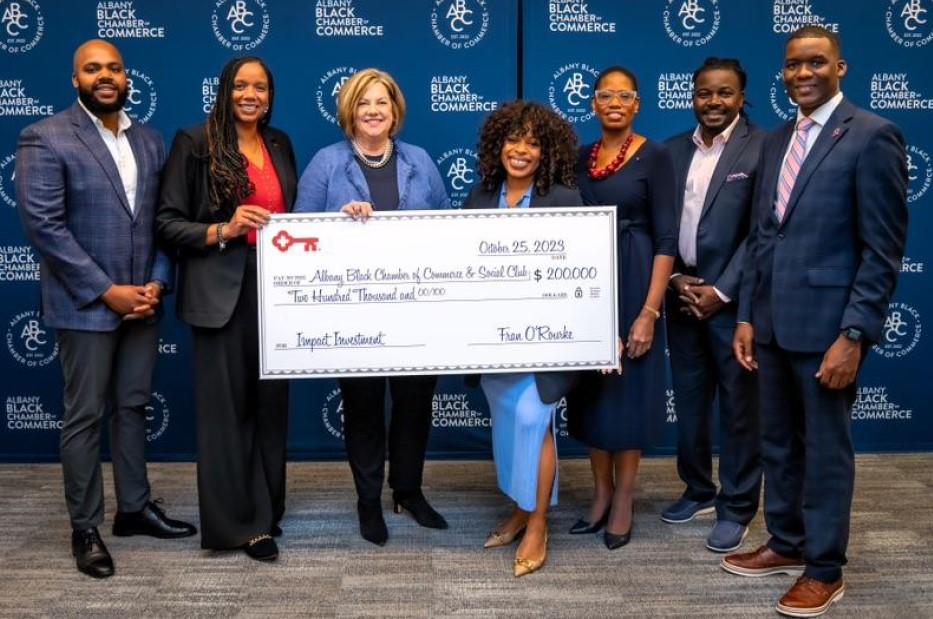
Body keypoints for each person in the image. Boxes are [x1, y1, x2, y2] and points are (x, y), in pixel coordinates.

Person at [725, 27, 908, 618]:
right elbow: (761, 239)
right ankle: (786, 541)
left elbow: (881, 251)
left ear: (840, 67)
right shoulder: (776, 140)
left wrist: (854, 335)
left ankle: (824, 568)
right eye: (792, 65)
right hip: (772, 325)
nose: (802, 73)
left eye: (815, 63)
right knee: (776, 442)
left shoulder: (873, 136)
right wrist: (748, 316)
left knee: (825, 451)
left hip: (830, 330)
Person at [14, 39, 196, 579]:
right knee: (86, 415)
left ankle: (134, 509)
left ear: (126, 75)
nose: (105, 76)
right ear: (76, 79)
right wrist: (106, 290)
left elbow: (164, 221)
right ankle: (85, 526)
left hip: (143, 302)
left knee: (134, 405)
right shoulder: (44, 137)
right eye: (92, 69)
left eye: (113, 67)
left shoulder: (150, 139)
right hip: (84, 305)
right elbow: (45, 227)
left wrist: (157, 285)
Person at [295, 68, 451, 546]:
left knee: (413, 404)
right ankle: (368, 500)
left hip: (416, 311)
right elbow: (300, 232)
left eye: (382, 101)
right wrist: (338, 221)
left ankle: (408, 490)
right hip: (354, 315)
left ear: (395, 109)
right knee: (362, 407)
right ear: (349, 111)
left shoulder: (420, 160)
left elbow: (448, 226)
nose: (374, 110)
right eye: (364, 102)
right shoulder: (326, 163)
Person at [157, 56, 296, 562]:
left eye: (260, 86)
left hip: (277, 294)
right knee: (226, 414)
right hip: (220, 294)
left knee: (270, 408)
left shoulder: (279, 143)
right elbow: (167, 223)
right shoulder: (195, 143)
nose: (251, 94)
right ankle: (238, 525)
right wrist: (225, 229)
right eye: (241, 85)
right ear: (225, 90)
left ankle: (267, 509)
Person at [462, 101, 581, 576]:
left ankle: (536, 523)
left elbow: (584, 272)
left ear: (546, 151)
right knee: (510, 426)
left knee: (535, 419)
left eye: (533, 143)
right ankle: (517, 508)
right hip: (493, 345)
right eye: (514, 140)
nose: (522, 150)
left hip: (546, 342)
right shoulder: (478, 198)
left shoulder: (565, 199)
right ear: (498, 146)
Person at [567, 66, 677, 550]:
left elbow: (667, 238)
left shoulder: (656, 156)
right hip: (587, 284)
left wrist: (649, 312)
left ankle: (626, 497)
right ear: (593, 104)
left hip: (635, 279)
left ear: (637, 104)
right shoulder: (577, 157)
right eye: (605, 94)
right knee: (592, 391)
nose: (614, 102)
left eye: (624, 95)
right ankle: (601, 493)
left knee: (628, 393)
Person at [661, 58, 764, 553]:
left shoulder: (764, 148)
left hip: (734, 304)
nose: (714, 102)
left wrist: (721, 291)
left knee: (740, 410)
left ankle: (738, 506)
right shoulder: (673, 151)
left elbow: (761, 231)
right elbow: (663, 225)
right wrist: (677, 279)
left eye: (725, 93)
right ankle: (698, 488)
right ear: (693, 97)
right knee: (691, 404)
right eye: (705, 93)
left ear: (742, 98)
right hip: (681, 298)